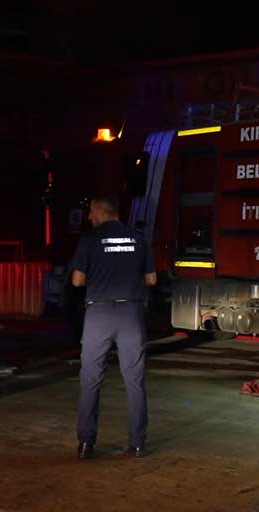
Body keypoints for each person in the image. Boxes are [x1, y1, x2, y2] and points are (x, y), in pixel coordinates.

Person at [70, 196, 156, 459]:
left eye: (91, 212)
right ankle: (138, 443)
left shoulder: (90, 239)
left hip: (99, 314)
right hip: (130, 313)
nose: (88, 217)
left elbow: (76, 281)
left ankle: (86, 443)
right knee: (134, 381)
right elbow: (151, 279)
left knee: (91, 380)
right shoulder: (137, 237)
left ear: (100, 211)